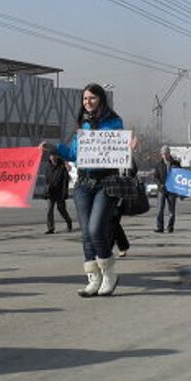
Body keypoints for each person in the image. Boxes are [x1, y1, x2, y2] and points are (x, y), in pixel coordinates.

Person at [42, 83, 130, 297]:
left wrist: (120, 142)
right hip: (83, 184)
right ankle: (94, 278)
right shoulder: (83, 124)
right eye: (84, 99)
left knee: (95, 229)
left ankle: (109, 274)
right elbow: (74, 152)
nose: (87, 102)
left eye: (91, 98)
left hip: (105, 183)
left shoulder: (113, 122)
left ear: (100, 99)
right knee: (86, 235)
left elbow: (113, 145)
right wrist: (54, 148)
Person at [153, 145, 181, 233]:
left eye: (166, 153)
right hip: (162, 190)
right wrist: (160, 184)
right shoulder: (158, 165)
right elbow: (156, 177)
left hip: (172, 190)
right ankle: (159, 227)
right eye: (163, 154)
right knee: (160, 209)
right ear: (161, 154)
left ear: (169, 153)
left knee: (171, 210)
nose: (165, 155)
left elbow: (181, 175)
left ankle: (170, 227)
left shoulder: (175, 164)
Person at [44, 153, 73, 234]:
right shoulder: (48, 167)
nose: (52, 158)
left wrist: (64, 193)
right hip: (51, 192)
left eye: (54, 156)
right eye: (51, 156)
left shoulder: (62, 167)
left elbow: (65, 181)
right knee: (49, 210)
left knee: (61, 210)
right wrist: (46, 191)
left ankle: (69, 222)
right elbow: (46, 180)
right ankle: (51, 228)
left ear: (57, 157)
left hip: (60, 192)